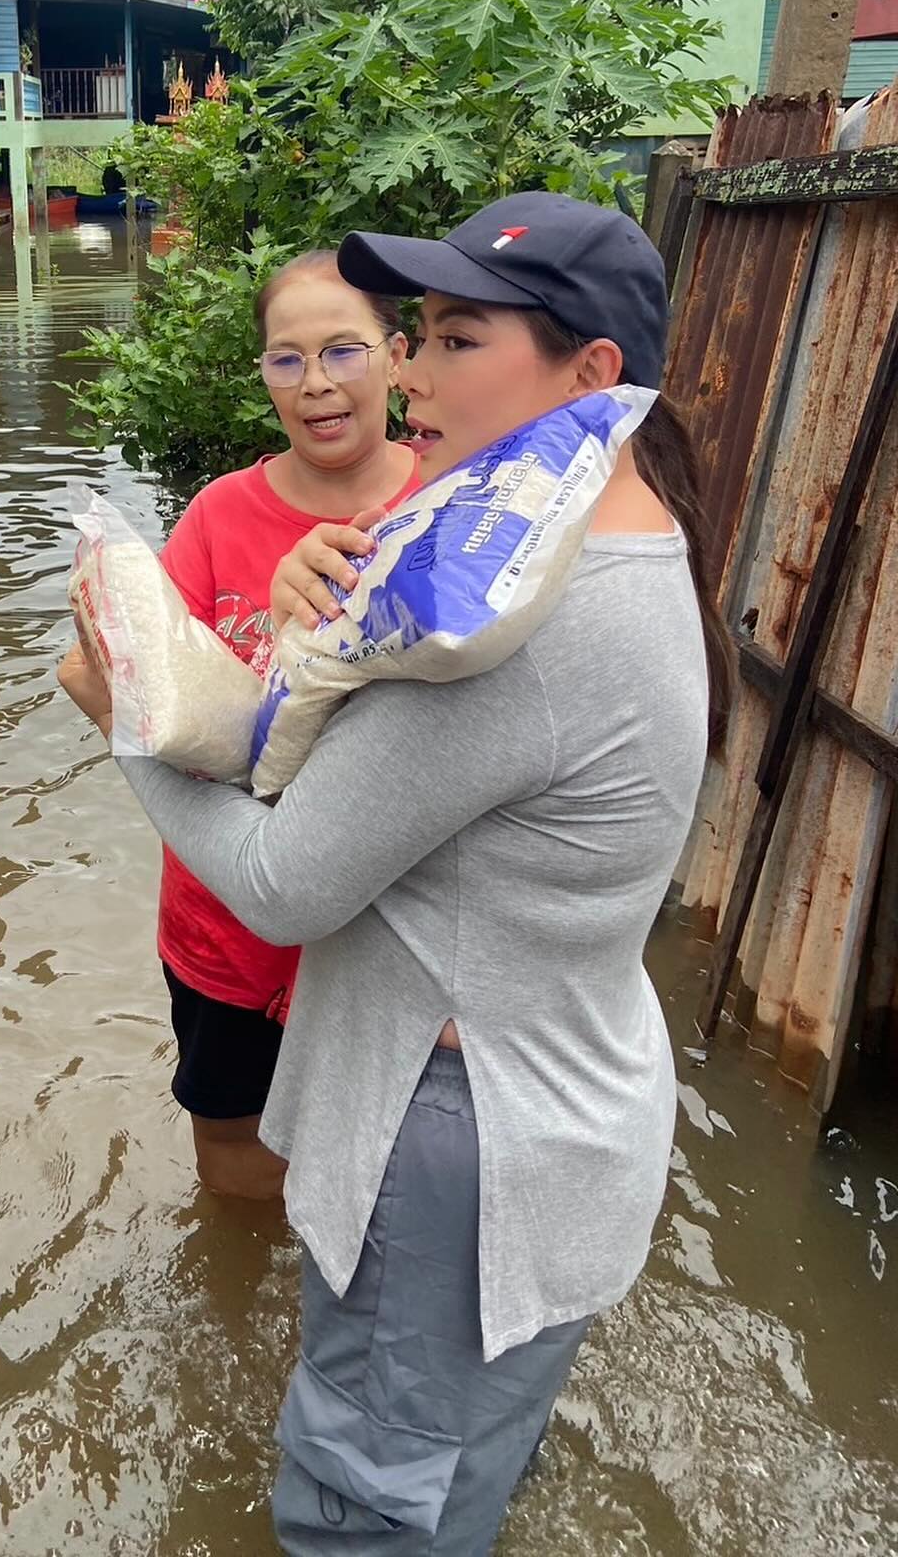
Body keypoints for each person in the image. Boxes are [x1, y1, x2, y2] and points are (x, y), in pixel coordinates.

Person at [59, 193, 731, 1553]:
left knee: (368, 1504)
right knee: (462, 1463)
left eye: (455, 338)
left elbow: (288, 883)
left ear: (590, 374)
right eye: (415, 333)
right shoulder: (594, 543)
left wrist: (127, 707)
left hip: (453, 1139)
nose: (406, 377)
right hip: (560, 1088)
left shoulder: (533, 628)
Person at [155, 251, 421, 1200]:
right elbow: (136, 687)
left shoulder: (454, 509)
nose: (315, 385)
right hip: (225, 920)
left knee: (381, 1167)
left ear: (399, 358)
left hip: (386, 936)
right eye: (285, 360)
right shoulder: (220, 515)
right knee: (232, 1152)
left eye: (343, 351)